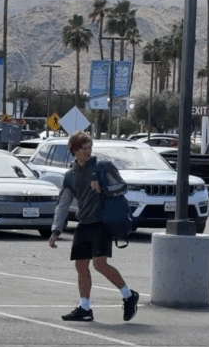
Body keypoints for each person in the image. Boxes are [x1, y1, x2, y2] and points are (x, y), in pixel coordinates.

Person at [47, 131, 140, 322]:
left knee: (99, 264)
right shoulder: (70, 176)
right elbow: (63, 204)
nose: (88, 152)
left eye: (90, 148)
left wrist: (103, 188)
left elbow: (122, 187)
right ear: (74, 150)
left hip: (102, 222)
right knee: (81, 265)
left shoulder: (103, 167)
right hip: (84, 223)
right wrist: (56, 230)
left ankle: (128, 295)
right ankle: (85, 309)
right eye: (84, 149)